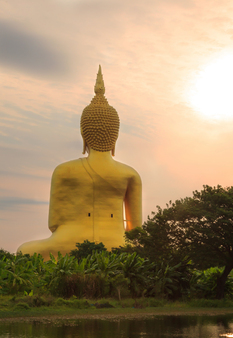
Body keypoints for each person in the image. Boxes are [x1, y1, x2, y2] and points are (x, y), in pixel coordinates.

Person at [17, 65, 142, 260]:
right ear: (115, 135)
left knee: (25, 250)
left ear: (84, 133)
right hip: (117, 245)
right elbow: (136, 231)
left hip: (67, 242)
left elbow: (54, 223)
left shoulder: (64, 170)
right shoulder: (130, 174)